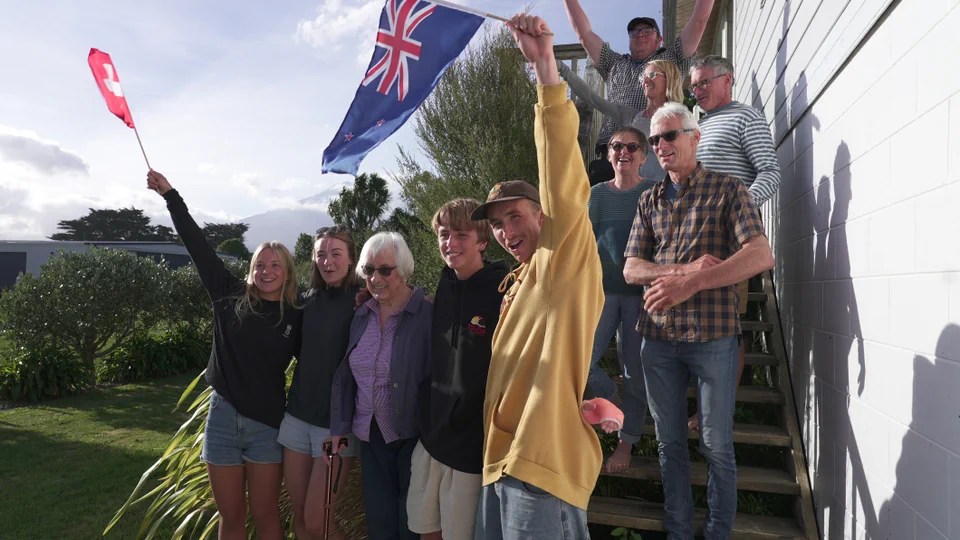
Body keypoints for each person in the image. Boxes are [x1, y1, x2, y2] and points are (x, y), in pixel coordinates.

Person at [470, 14, 605, 539]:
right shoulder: (517, 282)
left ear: (544, 214)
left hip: (540, 470)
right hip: (500, 466)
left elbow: (561, 170)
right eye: (498, 223)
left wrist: (546, 70)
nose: (506, 230)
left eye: (516, 216)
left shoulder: (562, 257)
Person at [622, 102, 775, 539]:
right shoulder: (649, 199)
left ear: (695, 137)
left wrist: (696, 284)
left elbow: (761, 254)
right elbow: (631, 268)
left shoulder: (729, 190)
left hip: (712, 337)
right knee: (669, 445)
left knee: (716, 446)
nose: (660, 146)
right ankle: (678, 531)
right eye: (654, 140)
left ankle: (718, 531)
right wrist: (684, 271)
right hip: (656, 338)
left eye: (669, 135)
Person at [146, 170, 300, 540]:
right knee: (230, 518)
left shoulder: (298, 314)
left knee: (265, 517)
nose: (266, 271)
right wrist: (171, 196)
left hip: (267, 424)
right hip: (223, 419)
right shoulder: (228, 295)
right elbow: (197, 244)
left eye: (275, 264)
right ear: (251, 269)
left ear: (287, 272)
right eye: (260, 264)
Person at [688, 54, 782, 431]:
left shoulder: (746, 117)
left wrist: (738, 212)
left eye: (704, 82)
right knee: (698, 325)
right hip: (696, 239)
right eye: (694, 86)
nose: (697, 91)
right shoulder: (699, 123)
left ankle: (718, 410)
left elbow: (770, 171)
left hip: (730, 241)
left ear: (728, 80)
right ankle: (702, 407)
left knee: (726, 327)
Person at [407, 198, 509, 540]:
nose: (450, 243)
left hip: (470, 444)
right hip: (432, 435)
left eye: (461, 235)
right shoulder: (445, 283)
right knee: (427, 532)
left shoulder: (503, 289)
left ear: (482, 241)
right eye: (444, 234)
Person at [330, 232, 431, 540]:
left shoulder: (427, 314)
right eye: (369, 270)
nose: (376, 278)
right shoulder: (362, 315)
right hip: (370, 436)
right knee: (380, 523)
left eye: (385, 270)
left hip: (413, 436)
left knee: (410, 524)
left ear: (403, 270)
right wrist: (339, 428)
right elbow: (347, 376)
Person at [279, 227, 361, 540]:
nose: (328, 261)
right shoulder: (304, 301)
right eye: (321, 254)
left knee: (318, 523)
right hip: (297, 420)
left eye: (336, 253)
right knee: (301, 521)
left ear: (351, 259)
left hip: (336, 428)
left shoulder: (364, 302)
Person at [586, 126, 657, 475]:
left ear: (644, 155)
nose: (623, 152)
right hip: (601, 293)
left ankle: (626, 442)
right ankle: (611, 399)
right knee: (580, 364)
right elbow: (585, 242)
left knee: (636, 374)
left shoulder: (653, 193)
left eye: (631, 146)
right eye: (616, 146)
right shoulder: (597, 194)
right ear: (608, 153)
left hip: (640, 297)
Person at [561, 0, 715, 146]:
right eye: (634, 32)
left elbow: (699, 22)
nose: (640, 34)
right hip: (611, 148)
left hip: (655, 147)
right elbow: (584, 34)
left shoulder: (672, 59)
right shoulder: (613, 63)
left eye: (647, 31)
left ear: (659, 39)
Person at [559, 58, 684, 181]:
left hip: (665, 195)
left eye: (652, 74)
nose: (645, 80)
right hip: (633, 194)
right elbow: (592, 98)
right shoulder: (632, 117)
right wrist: (563, 69)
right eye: (643, 76)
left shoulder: (681, 121)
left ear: (669, 79)